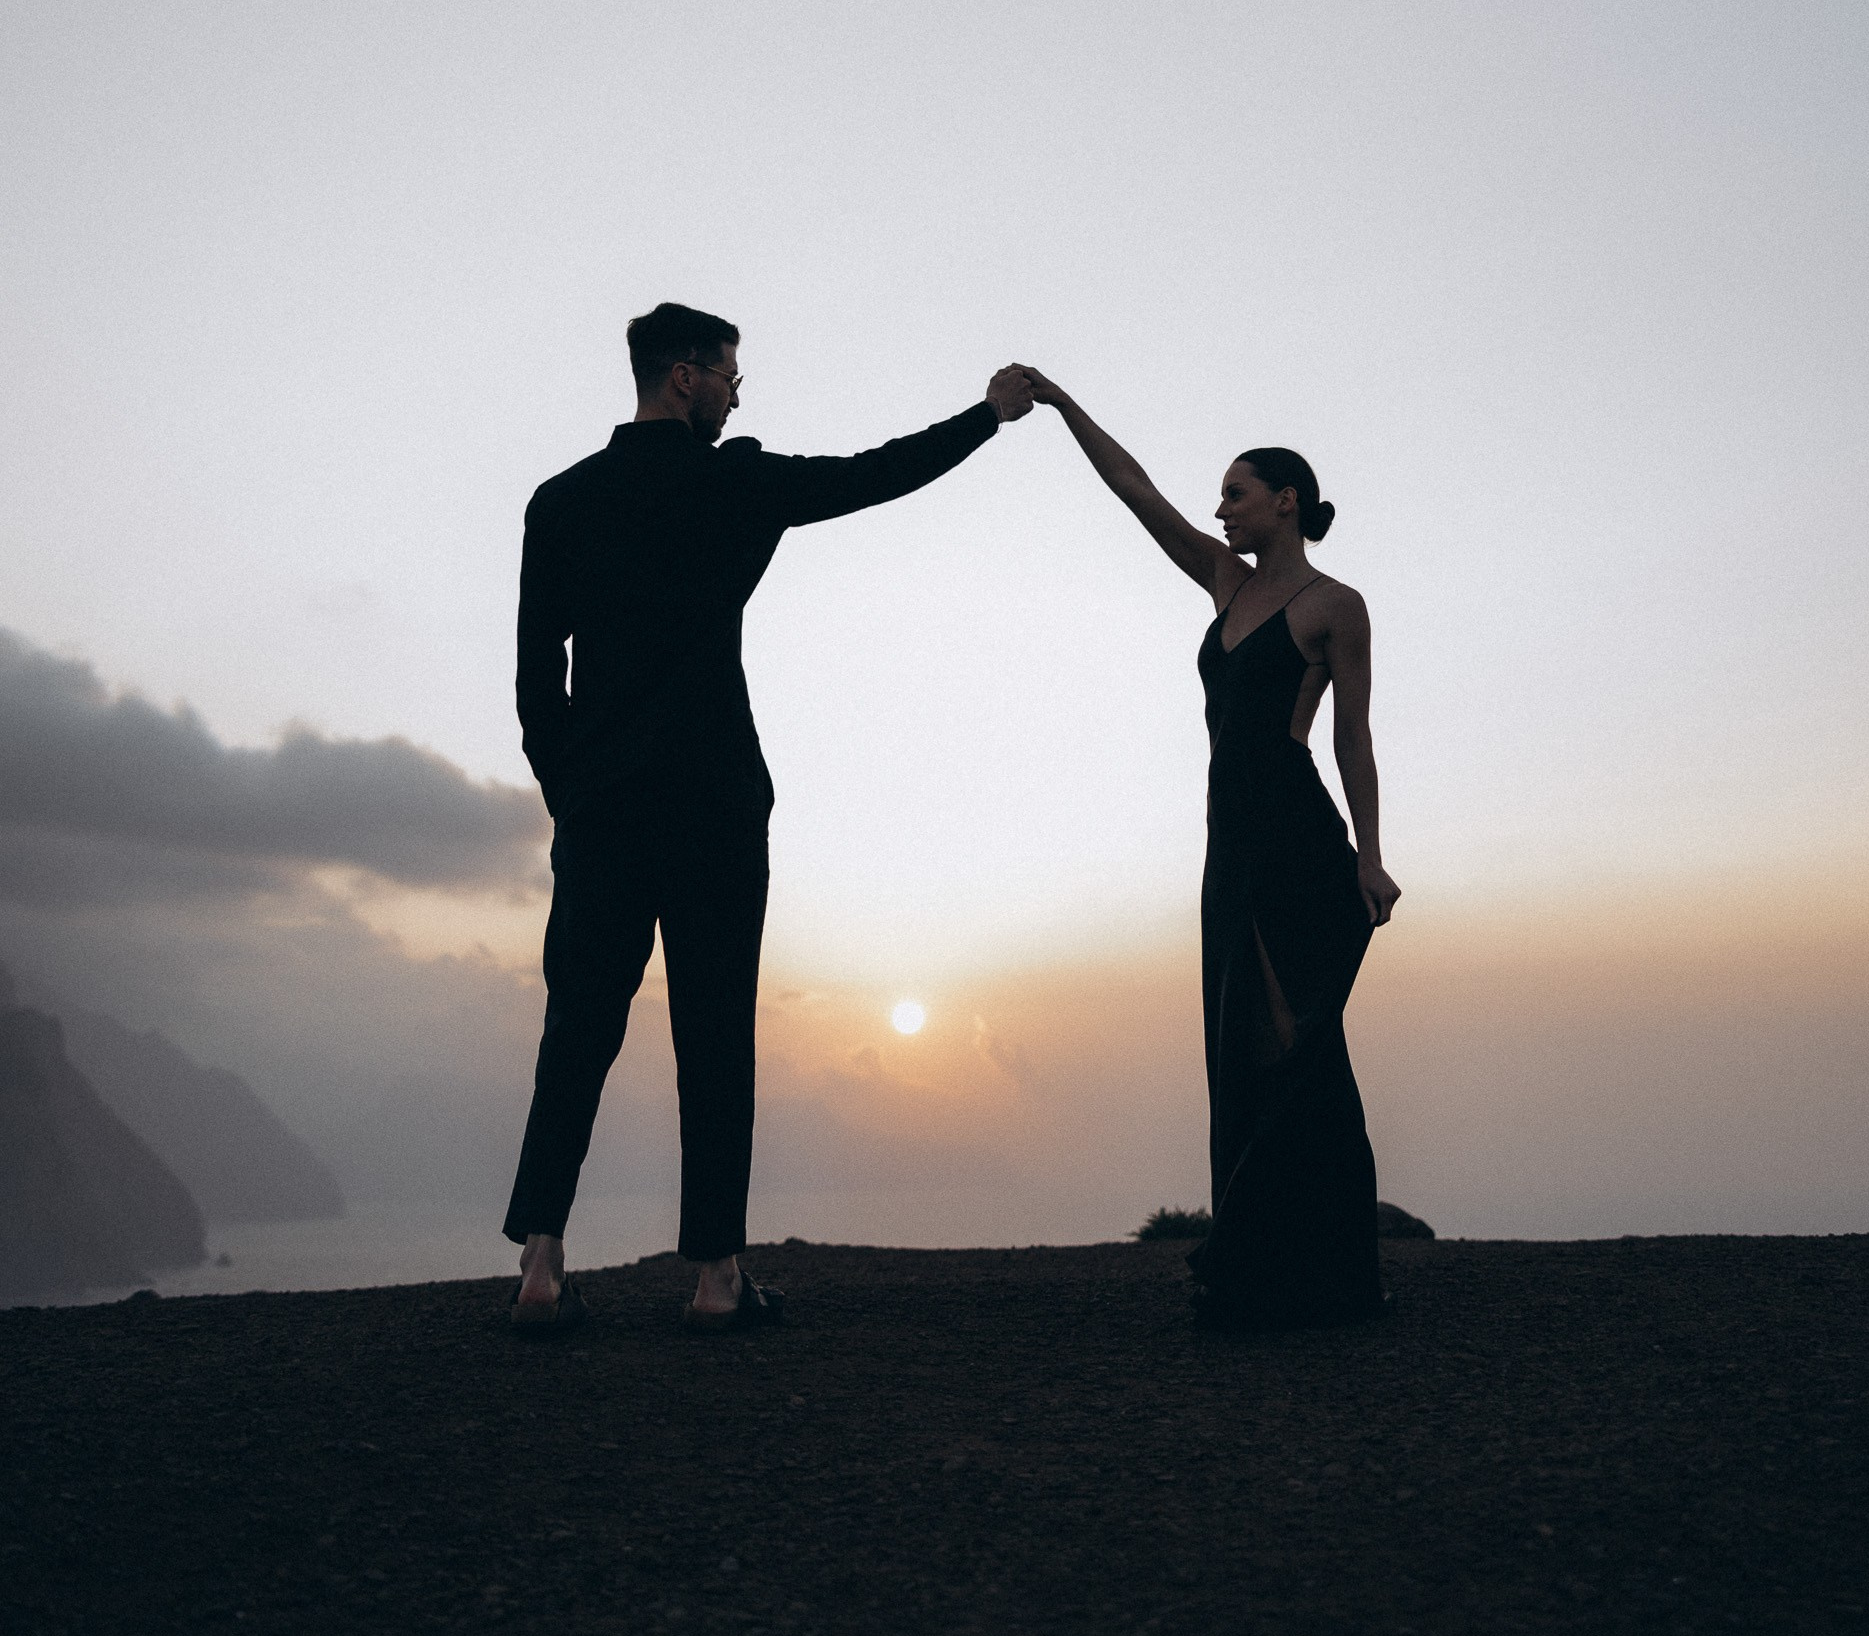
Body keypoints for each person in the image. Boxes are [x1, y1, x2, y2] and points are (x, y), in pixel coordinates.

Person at [505, 303, 1035, 1333]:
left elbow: (536, 681)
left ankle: (538, 1264)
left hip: (604, 805)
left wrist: (572, 791)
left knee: (577, 1024)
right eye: (727, 371)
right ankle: (713, 1279)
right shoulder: (734, 482)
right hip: (712, 799)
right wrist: (986, 417)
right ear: (683, 377)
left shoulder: (559, 501)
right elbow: (871, 474)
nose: (739, 389)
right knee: (714, 1030)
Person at [1024, 374, 1398, 1327]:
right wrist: (1066, 407)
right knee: (1239, 1049)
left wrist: (1369, 855)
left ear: (1285, 500)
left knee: (1293, 1045)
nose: (1220, 509)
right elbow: (1136, 490)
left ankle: (1307, 1271)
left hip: (1294, 837)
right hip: (1228, 844)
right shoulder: (1225, 582)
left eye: (1235, 492)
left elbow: (1351, 737)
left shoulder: (1334, 605)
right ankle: (1274, 1264)